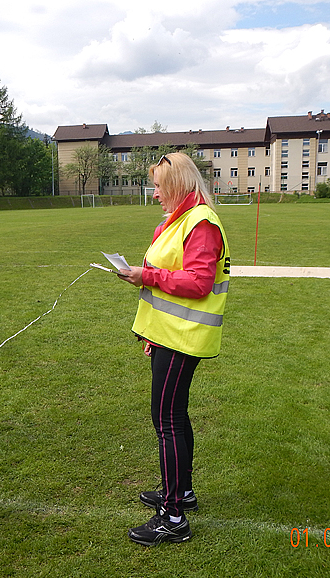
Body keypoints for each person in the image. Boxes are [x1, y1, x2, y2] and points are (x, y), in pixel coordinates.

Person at [117, 153, 230, 547]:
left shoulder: (200, 222)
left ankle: (173, 517)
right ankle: (181, 492)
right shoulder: (182, 219)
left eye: (159, 186)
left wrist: (146, 276)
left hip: (183, 337)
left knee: (166, 421)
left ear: (178, 184)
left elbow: (198, 282)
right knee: (174, 416)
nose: (155, 194)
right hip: (170, 334)